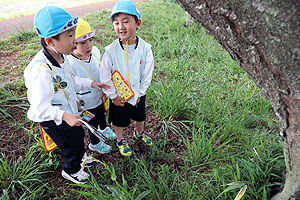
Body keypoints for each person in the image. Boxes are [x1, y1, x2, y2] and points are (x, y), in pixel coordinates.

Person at [24, 6, 110, 184]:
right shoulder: (42, 70)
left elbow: (69, 80)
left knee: (78, 136)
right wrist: (63, 115)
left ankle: (81, 157)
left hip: (68, 112)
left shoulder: (61, 57)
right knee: (69, 145)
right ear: (50, 41)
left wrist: (90, 84)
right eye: (70, 36)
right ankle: (72, 170)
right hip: (54, 119)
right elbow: (38, 110)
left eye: (74, 34)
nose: (75, 40)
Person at [100, 0, 154, 157]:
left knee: (140, 116)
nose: (121, 27)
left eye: (126, 21)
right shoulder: (110, 51)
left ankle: (139, 132)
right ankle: (120, 139)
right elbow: (105, 75)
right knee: (119, 121)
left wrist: (140, 92)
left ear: (138, 23)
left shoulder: (145, 48)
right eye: (116, 23)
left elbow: (147, 73)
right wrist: (113, 96)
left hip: (138, 94)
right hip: (119, 97)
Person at [68, 18, 116, 154]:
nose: (88, 46)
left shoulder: (95, 51)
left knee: (102, 113)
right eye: (83, 43)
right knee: (91, 122)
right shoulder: (70, 62)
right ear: (73, 44)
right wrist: (75, 101)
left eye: (90, 40)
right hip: (85, 101)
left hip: (100, 94)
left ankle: (104, 128)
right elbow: (71, 84)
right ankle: (95, 143)